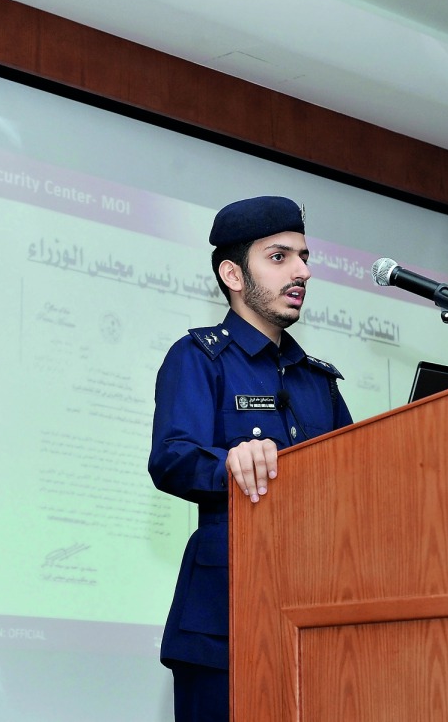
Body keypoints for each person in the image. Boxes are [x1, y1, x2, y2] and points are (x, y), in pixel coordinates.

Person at [149, 195, 353, 721]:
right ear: (233, 274)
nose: (302, 271)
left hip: (315, 611)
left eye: (304, 257)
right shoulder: (198, 357)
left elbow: (355, 476)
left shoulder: (318, 381)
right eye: (280, 257)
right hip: (226, 616)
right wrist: (228, 464)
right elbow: (172, 457)